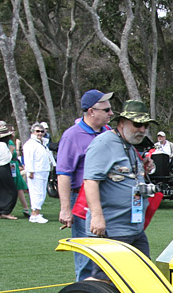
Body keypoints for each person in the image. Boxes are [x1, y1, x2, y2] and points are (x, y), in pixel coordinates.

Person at [82, 99, 157, 279]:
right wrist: (97, 217)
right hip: (111, 230)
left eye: (145, 125)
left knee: (142, 278)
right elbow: (90, 180)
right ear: (122, 123)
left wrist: (143, 168)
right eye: (138, 124)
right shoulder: (104, 143)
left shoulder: (129, 146)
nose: (142, 129)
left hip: (133, 229)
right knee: (106, 282)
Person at [57, 89, 114, 280]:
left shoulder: (109, 133)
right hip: (82, 200)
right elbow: (64, 174)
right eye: (106, 110)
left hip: (107, 198)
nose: (111, 113)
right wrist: (66, 209)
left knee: (109, 255)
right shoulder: (72, 136)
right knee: (88, 257)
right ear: (91, 111)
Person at [0, 122, 18, 220]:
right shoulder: (2, 145)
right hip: (2, 169)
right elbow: (7, 158)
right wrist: (11, 150)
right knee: (12, 191)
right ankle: (5, 211)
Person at [22, 123, 51, 223]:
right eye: (37, 131)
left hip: (43, 170)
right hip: (36, 171)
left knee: (42, 192)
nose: (40, 133)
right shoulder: (30, 144)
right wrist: (30, 171)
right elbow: (28, 159)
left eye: (42, 131)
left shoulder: (42, 143)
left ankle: (36, 212)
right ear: (33, 132)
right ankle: (35, 214)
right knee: (36, 192)